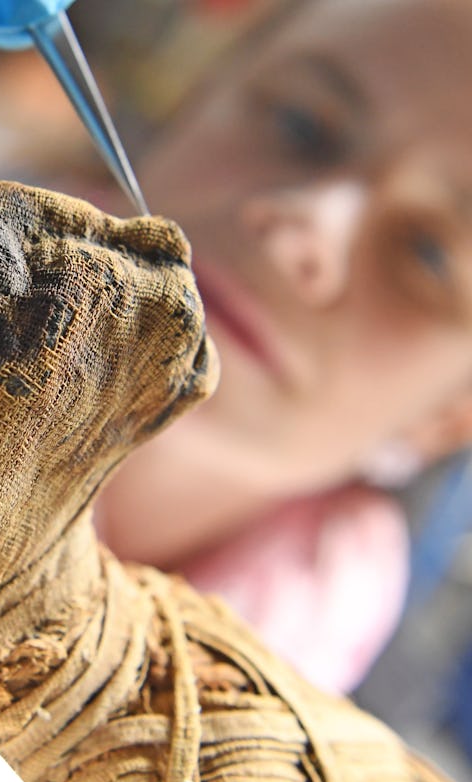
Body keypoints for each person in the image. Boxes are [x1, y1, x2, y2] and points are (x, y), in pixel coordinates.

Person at [89, 0, 472, 695]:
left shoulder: (311, 644)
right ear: (199, 93)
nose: (302, 227)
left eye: (428, 255)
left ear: (450, 418)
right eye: (302, 125)